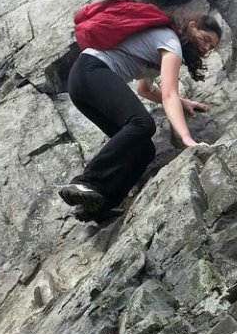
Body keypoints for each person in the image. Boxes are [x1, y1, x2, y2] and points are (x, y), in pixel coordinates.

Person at [59, 12, 222, 222]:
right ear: (192, 27)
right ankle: (85, 181)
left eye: (211, 46)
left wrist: (182, 102)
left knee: (144, 150)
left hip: (82, 84)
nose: (206, 48)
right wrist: (187, 139)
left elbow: (145, 89)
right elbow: (169, 95)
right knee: (142, 123)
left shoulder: (161, 47)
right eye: (206, 39)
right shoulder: (171, 43)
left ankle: (99, 205)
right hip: (91, 70)